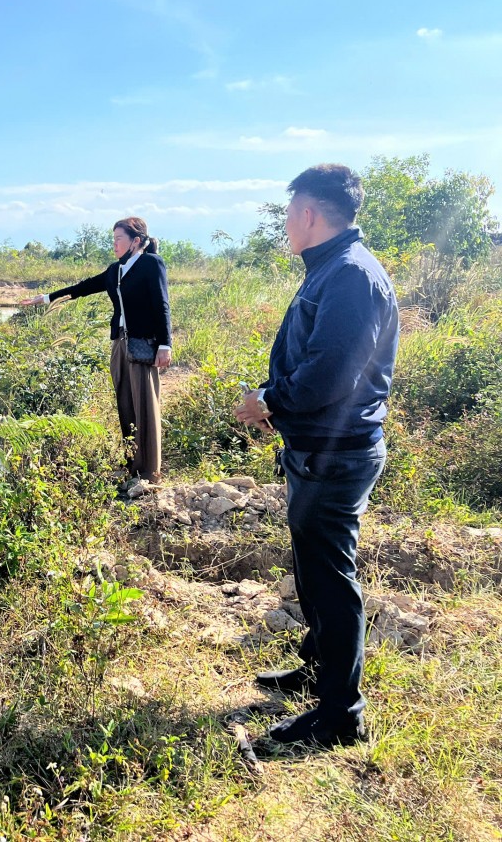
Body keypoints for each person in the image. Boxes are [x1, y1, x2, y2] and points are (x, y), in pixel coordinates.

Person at [234, 163, 399, 748]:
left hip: (337, 452)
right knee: (313, 566)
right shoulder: (331, 269)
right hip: (318, 449)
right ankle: (316, 671)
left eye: (288, 213)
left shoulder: (350, 276)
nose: (284, 225)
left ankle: (340, 715)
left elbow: (330, 375)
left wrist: (267, 401)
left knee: (331, 577)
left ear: (308, 213)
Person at [21, 217, 172, 483]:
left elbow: (162, 304)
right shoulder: (116, 270)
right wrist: (45, 298)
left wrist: (165, 344)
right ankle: (131, 464)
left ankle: (150, 471)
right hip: (120, 344)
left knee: (145, 405)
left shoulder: (151, 264)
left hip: (143, 344)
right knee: (125, 403)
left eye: (118, 239)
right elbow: (84, 287)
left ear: (136, 241)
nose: (114, 244)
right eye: (112, 239)